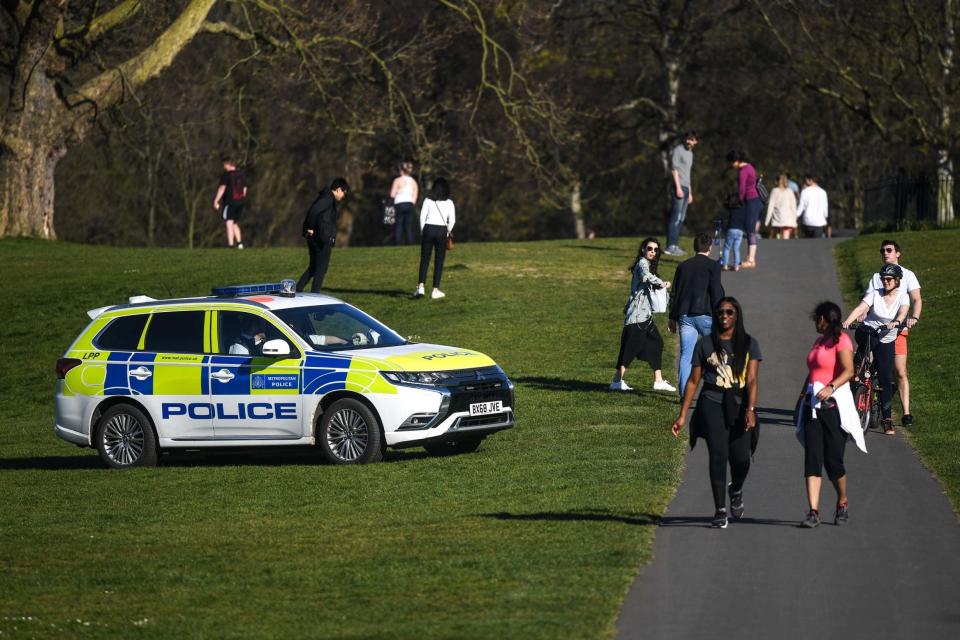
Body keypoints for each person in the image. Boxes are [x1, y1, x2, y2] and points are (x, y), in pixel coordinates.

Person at [671, 297, 761, 529]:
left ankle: (736, 488)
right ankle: (720, 510)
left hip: (740, 404)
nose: (724, 316)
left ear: (737, 315)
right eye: (720, 312)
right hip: (711, 403)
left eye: (729, 312)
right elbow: (693, 381)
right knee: (718, 456)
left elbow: (751, 379)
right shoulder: (705, 345)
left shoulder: (749, 344)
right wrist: (682, 415)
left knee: (741, 458)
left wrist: (750, 409)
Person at [797, 301, 862, 528]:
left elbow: (849, 370)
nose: (815, 322)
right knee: (812, 458)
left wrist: (831, 387)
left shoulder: (842, 340)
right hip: (812, 407)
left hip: (833, 408)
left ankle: (842, 500)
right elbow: (813, 372)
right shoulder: (818, 342)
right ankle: (813, 511)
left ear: (823, 319)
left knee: (833, 461)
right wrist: (802, 396)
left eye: (816, 318)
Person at [843, 263, 909, 435]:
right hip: (868, 332)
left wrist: (896, 322)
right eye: (883, 279)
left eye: (889, 279)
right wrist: (849, 320)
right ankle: (858, 372)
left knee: (886, 379)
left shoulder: (903, 297)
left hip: (886, 338)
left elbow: (903, 312)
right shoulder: (876, 294)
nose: (885, 282)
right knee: (863, 356)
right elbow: (861, 308)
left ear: (897, 281)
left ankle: (886, 420)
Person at [865, 239, 922, 427]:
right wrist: (862, 315)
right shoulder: (876, 276)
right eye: (882, 250)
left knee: (900, 371)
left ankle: (906, 413)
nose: (885, 253)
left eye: (889, 250)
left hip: (897, 330)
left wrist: (914, 317)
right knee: (867, 365)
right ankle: (866, 401)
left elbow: (916, 299)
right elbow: (868, 300)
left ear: (898, 253)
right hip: (876, 329)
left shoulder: (908, 275)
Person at [610, 238, 675, 392]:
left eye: (655, 250)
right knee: (630, 349)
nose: (652, 252)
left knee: (656, 343)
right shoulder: (642, 264)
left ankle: (658, 381)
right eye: (649, 248)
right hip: (638, 317)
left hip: (645, 317)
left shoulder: (648, 264)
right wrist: (662, 283)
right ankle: (616, 381)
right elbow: (646, 277)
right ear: (643, 250)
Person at [668, 232, 725, 394]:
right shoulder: (713, 266)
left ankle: (684, 394)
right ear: (710, 247)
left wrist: (672, 317)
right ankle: (718, 389)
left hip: (685, 316)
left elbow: (675, 293)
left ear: (694, 247)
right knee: (716, 352)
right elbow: (715, 292)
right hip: (706, 315)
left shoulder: (683, 266)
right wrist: (721, 315)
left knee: (686, 355)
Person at [297, 178, 349, 293]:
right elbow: (313, 211)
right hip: (321, 239)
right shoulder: (328, 199)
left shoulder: (325, 197)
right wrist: (310, 227)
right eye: (344, 193)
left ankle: (297, 290)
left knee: (314, 267)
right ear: (339, 189)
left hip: (318, 237)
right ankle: (315, 294)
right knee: (321, 269)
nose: (343, 196)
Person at [415, 177, 456, 299]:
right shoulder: (449, 203)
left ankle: (421, 287)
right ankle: (435, 290)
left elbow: (422, 217)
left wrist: (423, 231)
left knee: (425, 259)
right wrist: (448, 232)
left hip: (428, 228)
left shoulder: (428, 200)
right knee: (439, 261)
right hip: (442, 230)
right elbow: (452, 220)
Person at [664, 131, 699, 256]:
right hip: (678, 187)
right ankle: (670, 246)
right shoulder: (678, 150)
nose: (689, 142)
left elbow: (687, 173)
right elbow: (674, 170)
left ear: (696, 142)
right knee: (676, 217)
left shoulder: (690, 154)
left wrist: (689, 192)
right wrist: (678, 187)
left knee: (681, 218)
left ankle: (675, 245)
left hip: (686, 187)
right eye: (688, 139)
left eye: (692, 140)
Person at [725, 150, 762, 268]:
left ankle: (751, 259)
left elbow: (742, 188)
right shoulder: (750, 166)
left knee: (750, 229)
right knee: (750, 229)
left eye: (731, 162)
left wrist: (739, 201)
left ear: (736, 161)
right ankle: (749, 257)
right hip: (755, 199)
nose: (731, 165)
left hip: (750, 200)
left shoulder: (743, 171)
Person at [213, 157, 248, 249]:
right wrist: (242, 199)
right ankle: (240, 244)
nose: (224, 166)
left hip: (230, 202)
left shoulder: (226, 175)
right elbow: (245, 189)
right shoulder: (242, 175)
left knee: (229, 222)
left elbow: (222, 188)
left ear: (228, 164)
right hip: (240, 202)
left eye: (224, 164)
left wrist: (216, 200)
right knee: (235, 223)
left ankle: (231, 246)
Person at [390, 162, 419, 246]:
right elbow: (415, 196)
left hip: (399, 204)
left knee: (399, 225)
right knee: (408, 226)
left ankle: (397, 244)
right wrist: (411, 203)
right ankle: (410, 244)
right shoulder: (414, 182)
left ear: (402, 171)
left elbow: (392, 194)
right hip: (409, 204)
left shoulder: (397, 180)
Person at [764, 173, 799, 239]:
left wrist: (767, 221)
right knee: (786, 237)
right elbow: (793, 207)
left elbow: (770, 207)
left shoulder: (774, 191)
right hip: (788, 220)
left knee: (778, 237)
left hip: (778, 220)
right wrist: (795, 220)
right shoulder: (790, 191)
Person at [720, 197, 747, 271]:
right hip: (740, 231)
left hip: (732, 229)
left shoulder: (731, 210)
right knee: (736, 248)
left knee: (727, 247)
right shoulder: (743, 210)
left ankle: (725, 265)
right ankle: (736, 266)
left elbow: (725, 206)